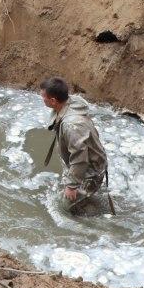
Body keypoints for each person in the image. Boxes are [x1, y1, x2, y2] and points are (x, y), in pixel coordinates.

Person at [40, 76, 111, 216]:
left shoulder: (72, 125)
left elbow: (80, 158)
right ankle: (86, 198)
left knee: (66, 207)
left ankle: (96, 220)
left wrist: (71, 186)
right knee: (72, 195)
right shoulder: (69, 102)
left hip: (90, 171)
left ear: (53, 101)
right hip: (88, 162)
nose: (42, 99)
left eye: (43, 97)